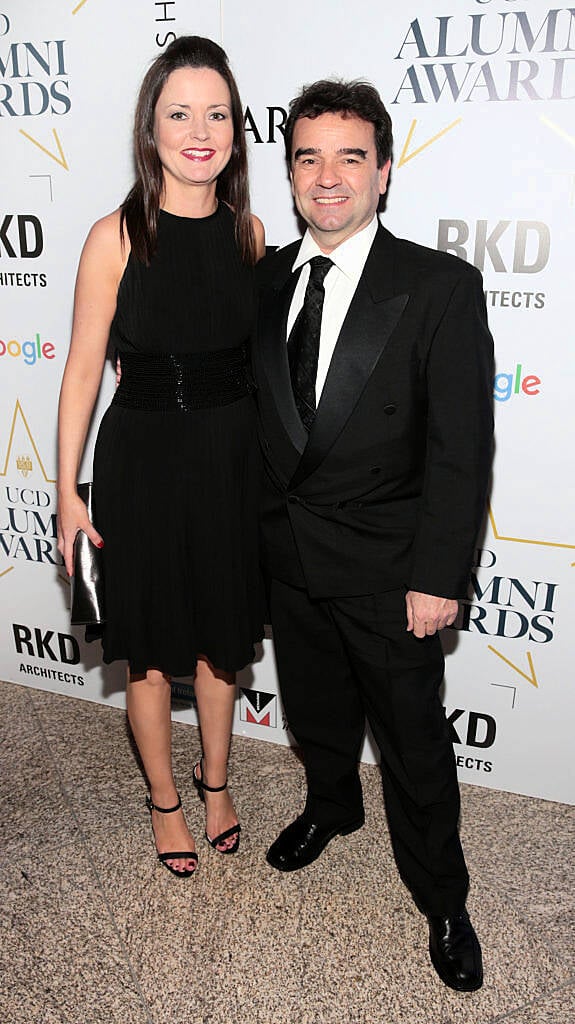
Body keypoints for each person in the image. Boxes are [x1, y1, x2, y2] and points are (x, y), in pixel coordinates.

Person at [253, 79, 493, 990]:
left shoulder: (437, 286)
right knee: (316, 715)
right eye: (308, 156)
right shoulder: (268, 276)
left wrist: (440, 575)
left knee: (413, 744)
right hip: (289, 558)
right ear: (289, 172)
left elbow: (461, 447)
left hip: (392, 569)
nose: (327, 176)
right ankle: (330, 806)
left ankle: (442, 898)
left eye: (349, 156)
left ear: (383, 172)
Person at [57, 36, 265, 879]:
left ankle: (215, 785)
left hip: (228, 461)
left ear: (234, 129)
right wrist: (67, 490)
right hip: (139, 463)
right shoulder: (116, 235)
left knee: (222, 643)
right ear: (151, 128)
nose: (198, 129)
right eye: (179, 113)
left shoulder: (248, 231)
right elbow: (81, 369)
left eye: (215, 112)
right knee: (145, 650)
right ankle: (164, 802)